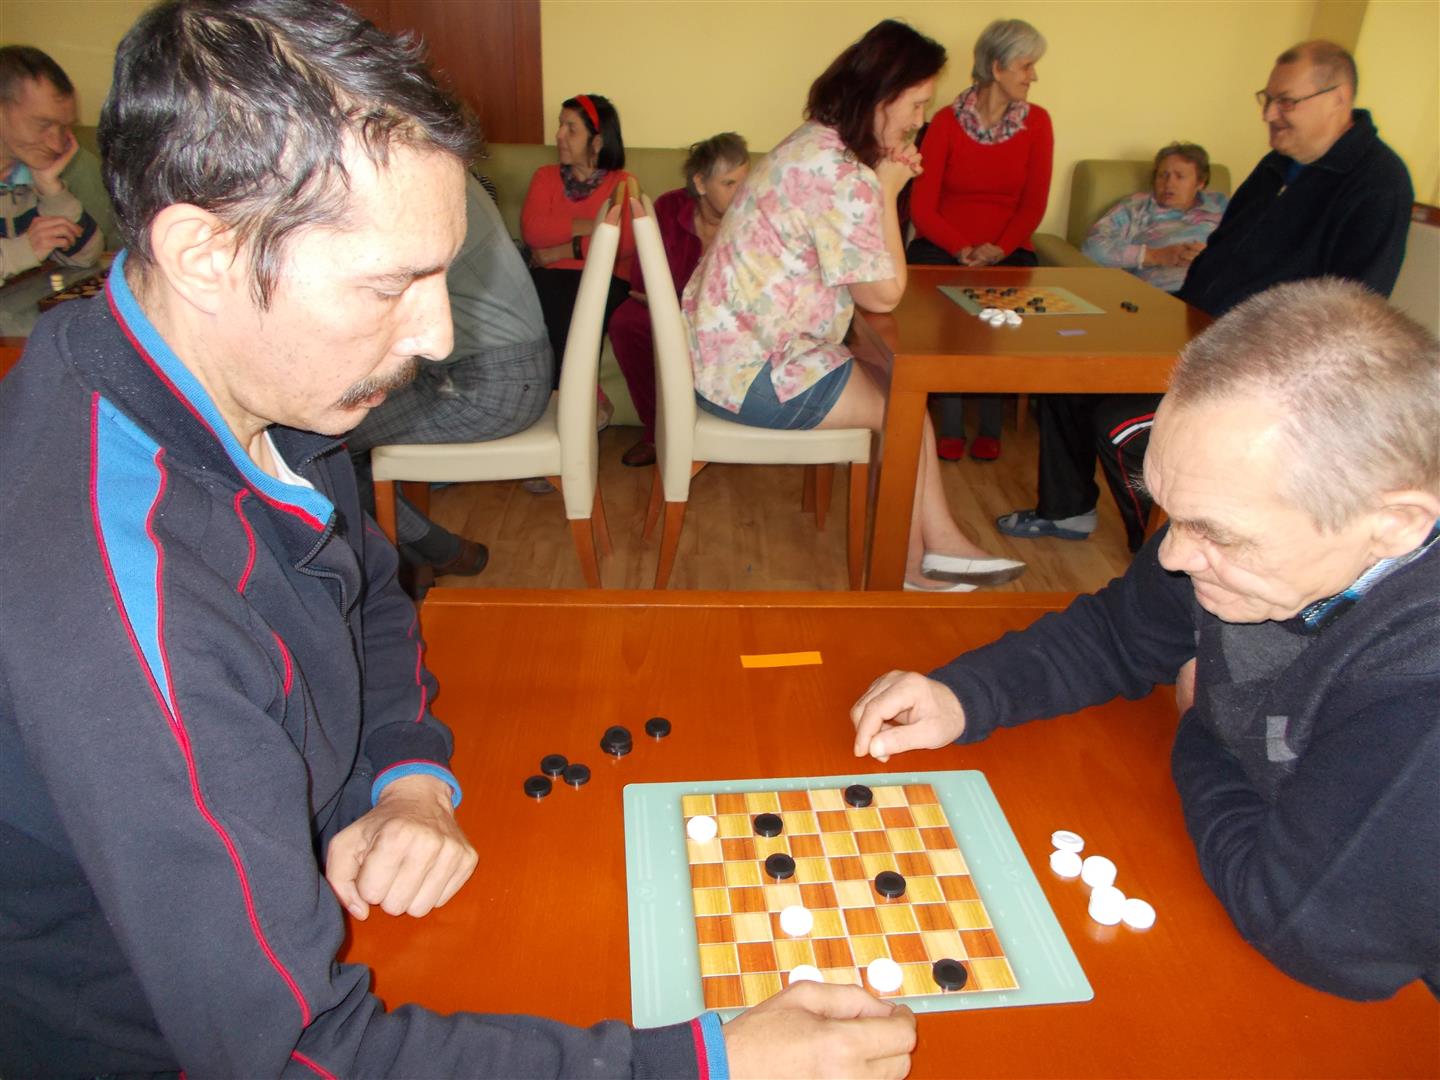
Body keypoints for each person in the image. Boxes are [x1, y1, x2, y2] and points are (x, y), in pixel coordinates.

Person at [0, 2, 917, 1076]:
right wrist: (709, 1063)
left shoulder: (247, 380)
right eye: (390, 284)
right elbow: (292, 1055)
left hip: (311, 887)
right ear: (203, 252)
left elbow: (367, 591)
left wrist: (402, 776)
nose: (437, 337)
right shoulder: (118, 605)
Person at [852, 279, 1440, 1002]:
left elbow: (1306, 930)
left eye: (1217, 533)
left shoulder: (1421, 691)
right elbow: (1117, 633)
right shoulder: (1245, 539)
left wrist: (1200, 724)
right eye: (1172, 512)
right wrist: (965, 695)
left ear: (1395, 525)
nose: (1173, 555)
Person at [999, 39, 1414, 554]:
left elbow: (1357, 307)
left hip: (1261, 368)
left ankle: (1165, 557)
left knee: (1122, 425)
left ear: (1339, 98)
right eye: (1268, 98)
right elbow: (1221, 250)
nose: (1270, 114)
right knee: (1069, 376)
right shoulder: (1276, 165)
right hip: (1191, 330)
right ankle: (1067, 510)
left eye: (1287, 102)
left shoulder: (1377, 182)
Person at [684, 20, 1025, 592]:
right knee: (902, 406)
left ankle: (939, 546)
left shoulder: (814, 143)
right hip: (752, 374)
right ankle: (913, 565)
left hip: (729, 354)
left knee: (903, 395)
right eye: (916, 104)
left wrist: (877, 183)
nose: (920, 119)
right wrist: (887, 189)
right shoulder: (840, 173)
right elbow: (883, 293)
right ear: (882, 97)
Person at [346, 170, 555, 583]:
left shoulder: (416, 185)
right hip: (499, 372)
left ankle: (422, 558)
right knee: (331, 432)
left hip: (485, 385)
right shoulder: (443, 175)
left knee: (319, 441)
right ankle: (425, 555)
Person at [907, 19, 1052, 463]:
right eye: (1026, 65)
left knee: (998, 316)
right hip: (944, 247)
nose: (1033, 76)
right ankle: (950, 425)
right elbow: (922, 207)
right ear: (996, 67)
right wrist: (961, 249)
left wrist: (999, 249)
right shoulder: (945, 123)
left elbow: (1033, 205)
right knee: (950, 311)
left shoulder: (1038, 123)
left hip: (1007, 250)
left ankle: (991, 427)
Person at [610, 132, 750, 468]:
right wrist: (677, 305)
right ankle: (656, 433)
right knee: (627, 322)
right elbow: (642, 279)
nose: (741, 193)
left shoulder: (753, 216)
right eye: (729, 183)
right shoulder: (668, 208)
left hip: (727, 313)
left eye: (744, 182)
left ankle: (716, 429)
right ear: (700, 183)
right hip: (669, 307)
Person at [522, 92, 636, 403]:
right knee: (549, 297)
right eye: (560, 125)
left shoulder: (623, 183)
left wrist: (558, 251)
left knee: (577, 301)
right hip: (551, 278)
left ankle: (571, 398)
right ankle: (577, 399)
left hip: (607, 276)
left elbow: (623, 243)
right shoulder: (545, 176)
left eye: (571, 129)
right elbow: (533, 231)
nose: (559, 135)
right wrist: (594, 225)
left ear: (597, 141)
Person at [0, 45, 102, 281]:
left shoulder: (29, 173)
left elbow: (85, 258)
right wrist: (25, 249)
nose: (57, 145)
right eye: (43, 124)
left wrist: (51, 190)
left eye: (65, 127)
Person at [1081, 142, 1228, 294]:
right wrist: (1156, 256)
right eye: (1162, 175)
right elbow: (1092, 249)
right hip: (1164, 295)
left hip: (1221, 292)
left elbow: (1242, 251)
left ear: (1200, 182)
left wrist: (1212, 256)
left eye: (1180, 176)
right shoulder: (1135, 207)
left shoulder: (1222, 205)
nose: (1169, 184)